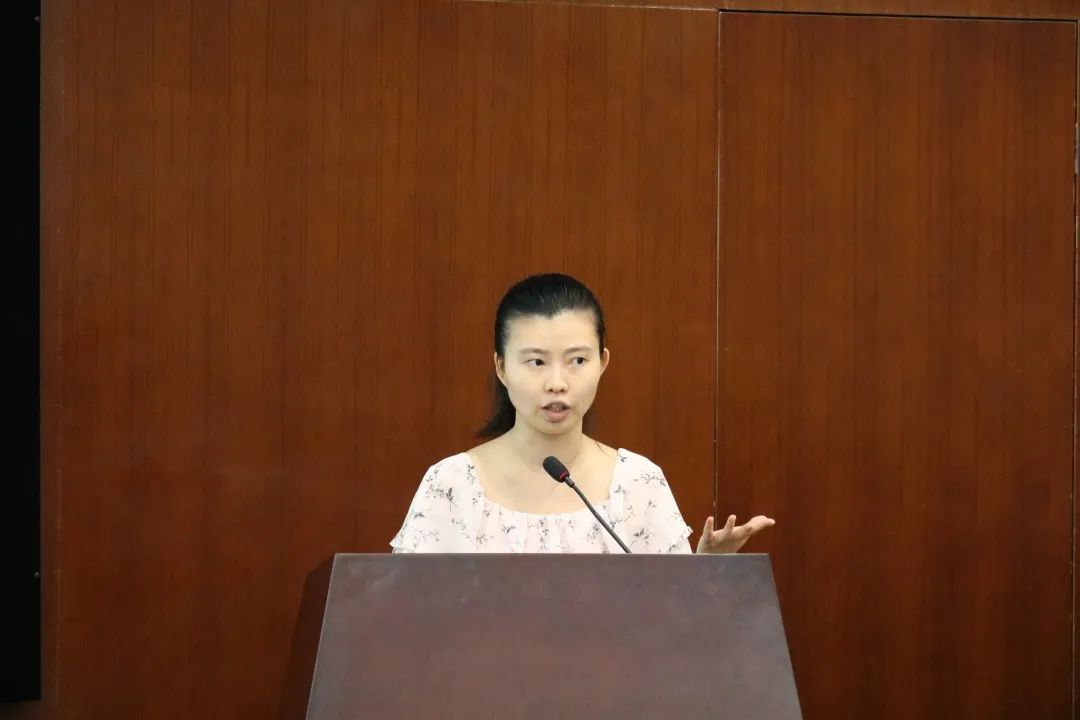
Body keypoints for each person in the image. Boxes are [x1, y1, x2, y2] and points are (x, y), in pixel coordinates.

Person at [390, 273, 775, 554]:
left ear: (603, 362)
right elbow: (411, 620)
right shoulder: (451, 485)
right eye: (537, 362)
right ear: (501, 367)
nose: (557, 383)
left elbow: (669, 623)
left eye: (577, 360)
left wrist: (705, 575)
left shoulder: (638, 484)